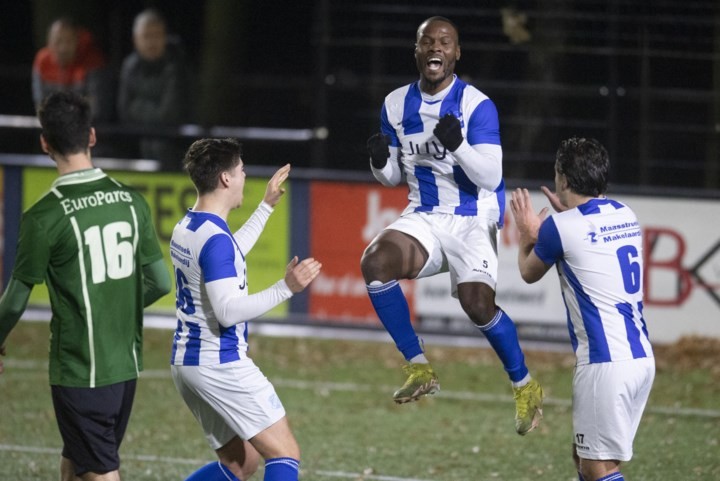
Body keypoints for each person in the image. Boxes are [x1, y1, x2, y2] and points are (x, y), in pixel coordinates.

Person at [360, 15, 543, 435]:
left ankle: (525, 385)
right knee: (375, 263)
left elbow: (491, 177)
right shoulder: (394, 105)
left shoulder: (476, 105)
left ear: (456, 53)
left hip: (473, 216)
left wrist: (458, 143)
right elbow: (392, 178)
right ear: (418, 51)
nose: (435, 48)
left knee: (477, 304)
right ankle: (418, 366)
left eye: (444, 42)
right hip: (424, 213)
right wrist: (378, 160)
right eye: (427, 42)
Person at [0, 91, 171, 481]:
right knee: (76, 463)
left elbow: (13, 302)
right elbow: (160, 282)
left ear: (45, 143)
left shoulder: (43, 217)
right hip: (125, 367)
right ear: (92, 136)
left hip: (81, 370)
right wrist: (116, 305)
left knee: (99, 471)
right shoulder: (132, 202)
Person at [170, 138, 321, 481]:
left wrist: (266, 206)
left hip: (187, 364)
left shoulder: (191, 225)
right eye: (241, 171)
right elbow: (227, 312)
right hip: (219, 363)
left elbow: (228, 253)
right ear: (225, 178)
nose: (244, 178)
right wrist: (287, 288)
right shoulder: (215, 240)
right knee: (284, 453)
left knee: (242, 464)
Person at [509, 137, 655, 481]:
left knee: (597, 469)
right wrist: (564, 216)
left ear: (563, 179)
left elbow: (528, 272)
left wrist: (527, 234)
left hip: (604, 364)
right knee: (585, 455)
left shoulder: (560, 228)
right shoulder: (624, 213)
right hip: (640, 359)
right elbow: (588, 232)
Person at [117, 8, 190, 170]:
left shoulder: (176, 67)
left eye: (157, 36)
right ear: (136, 39)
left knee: (158, 146)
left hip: (172, 143)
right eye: (146, 36)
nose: (152, 42)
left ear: (165, 37)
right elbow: (124, 112)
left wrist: (139, 106)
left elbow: (169, 115)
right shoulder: (129, 66)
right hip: (134, 142)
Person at [32, 18, 111, 120]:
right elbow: (40, 104)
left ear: (77, 41)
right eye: (58, 41)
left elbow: (96, 108)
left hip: (86, 129)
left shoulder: (93, 61)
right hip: (53, 128)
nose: (63, 48)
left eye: (68, 41)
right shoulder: (42, 61)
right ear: (49, 42)